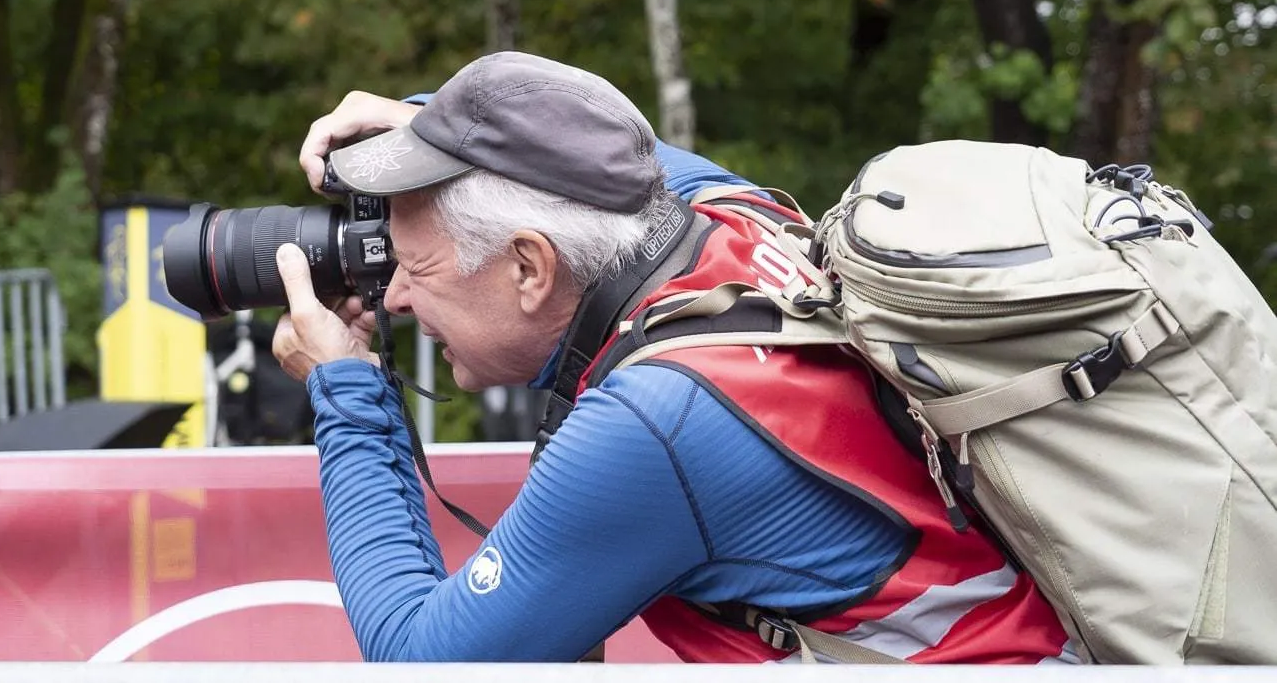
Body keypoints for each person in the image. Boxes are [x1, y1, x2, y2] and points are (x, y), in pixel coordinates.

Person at [271, 51, 1078, 664]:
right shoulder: (729, 214)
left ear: (529, 267)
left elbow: (421, 663)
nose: (397, 300)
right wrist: (427, 119)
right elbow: (608, 144)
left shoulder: (661, 423)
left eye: (417, 269)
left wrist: (347, 394)